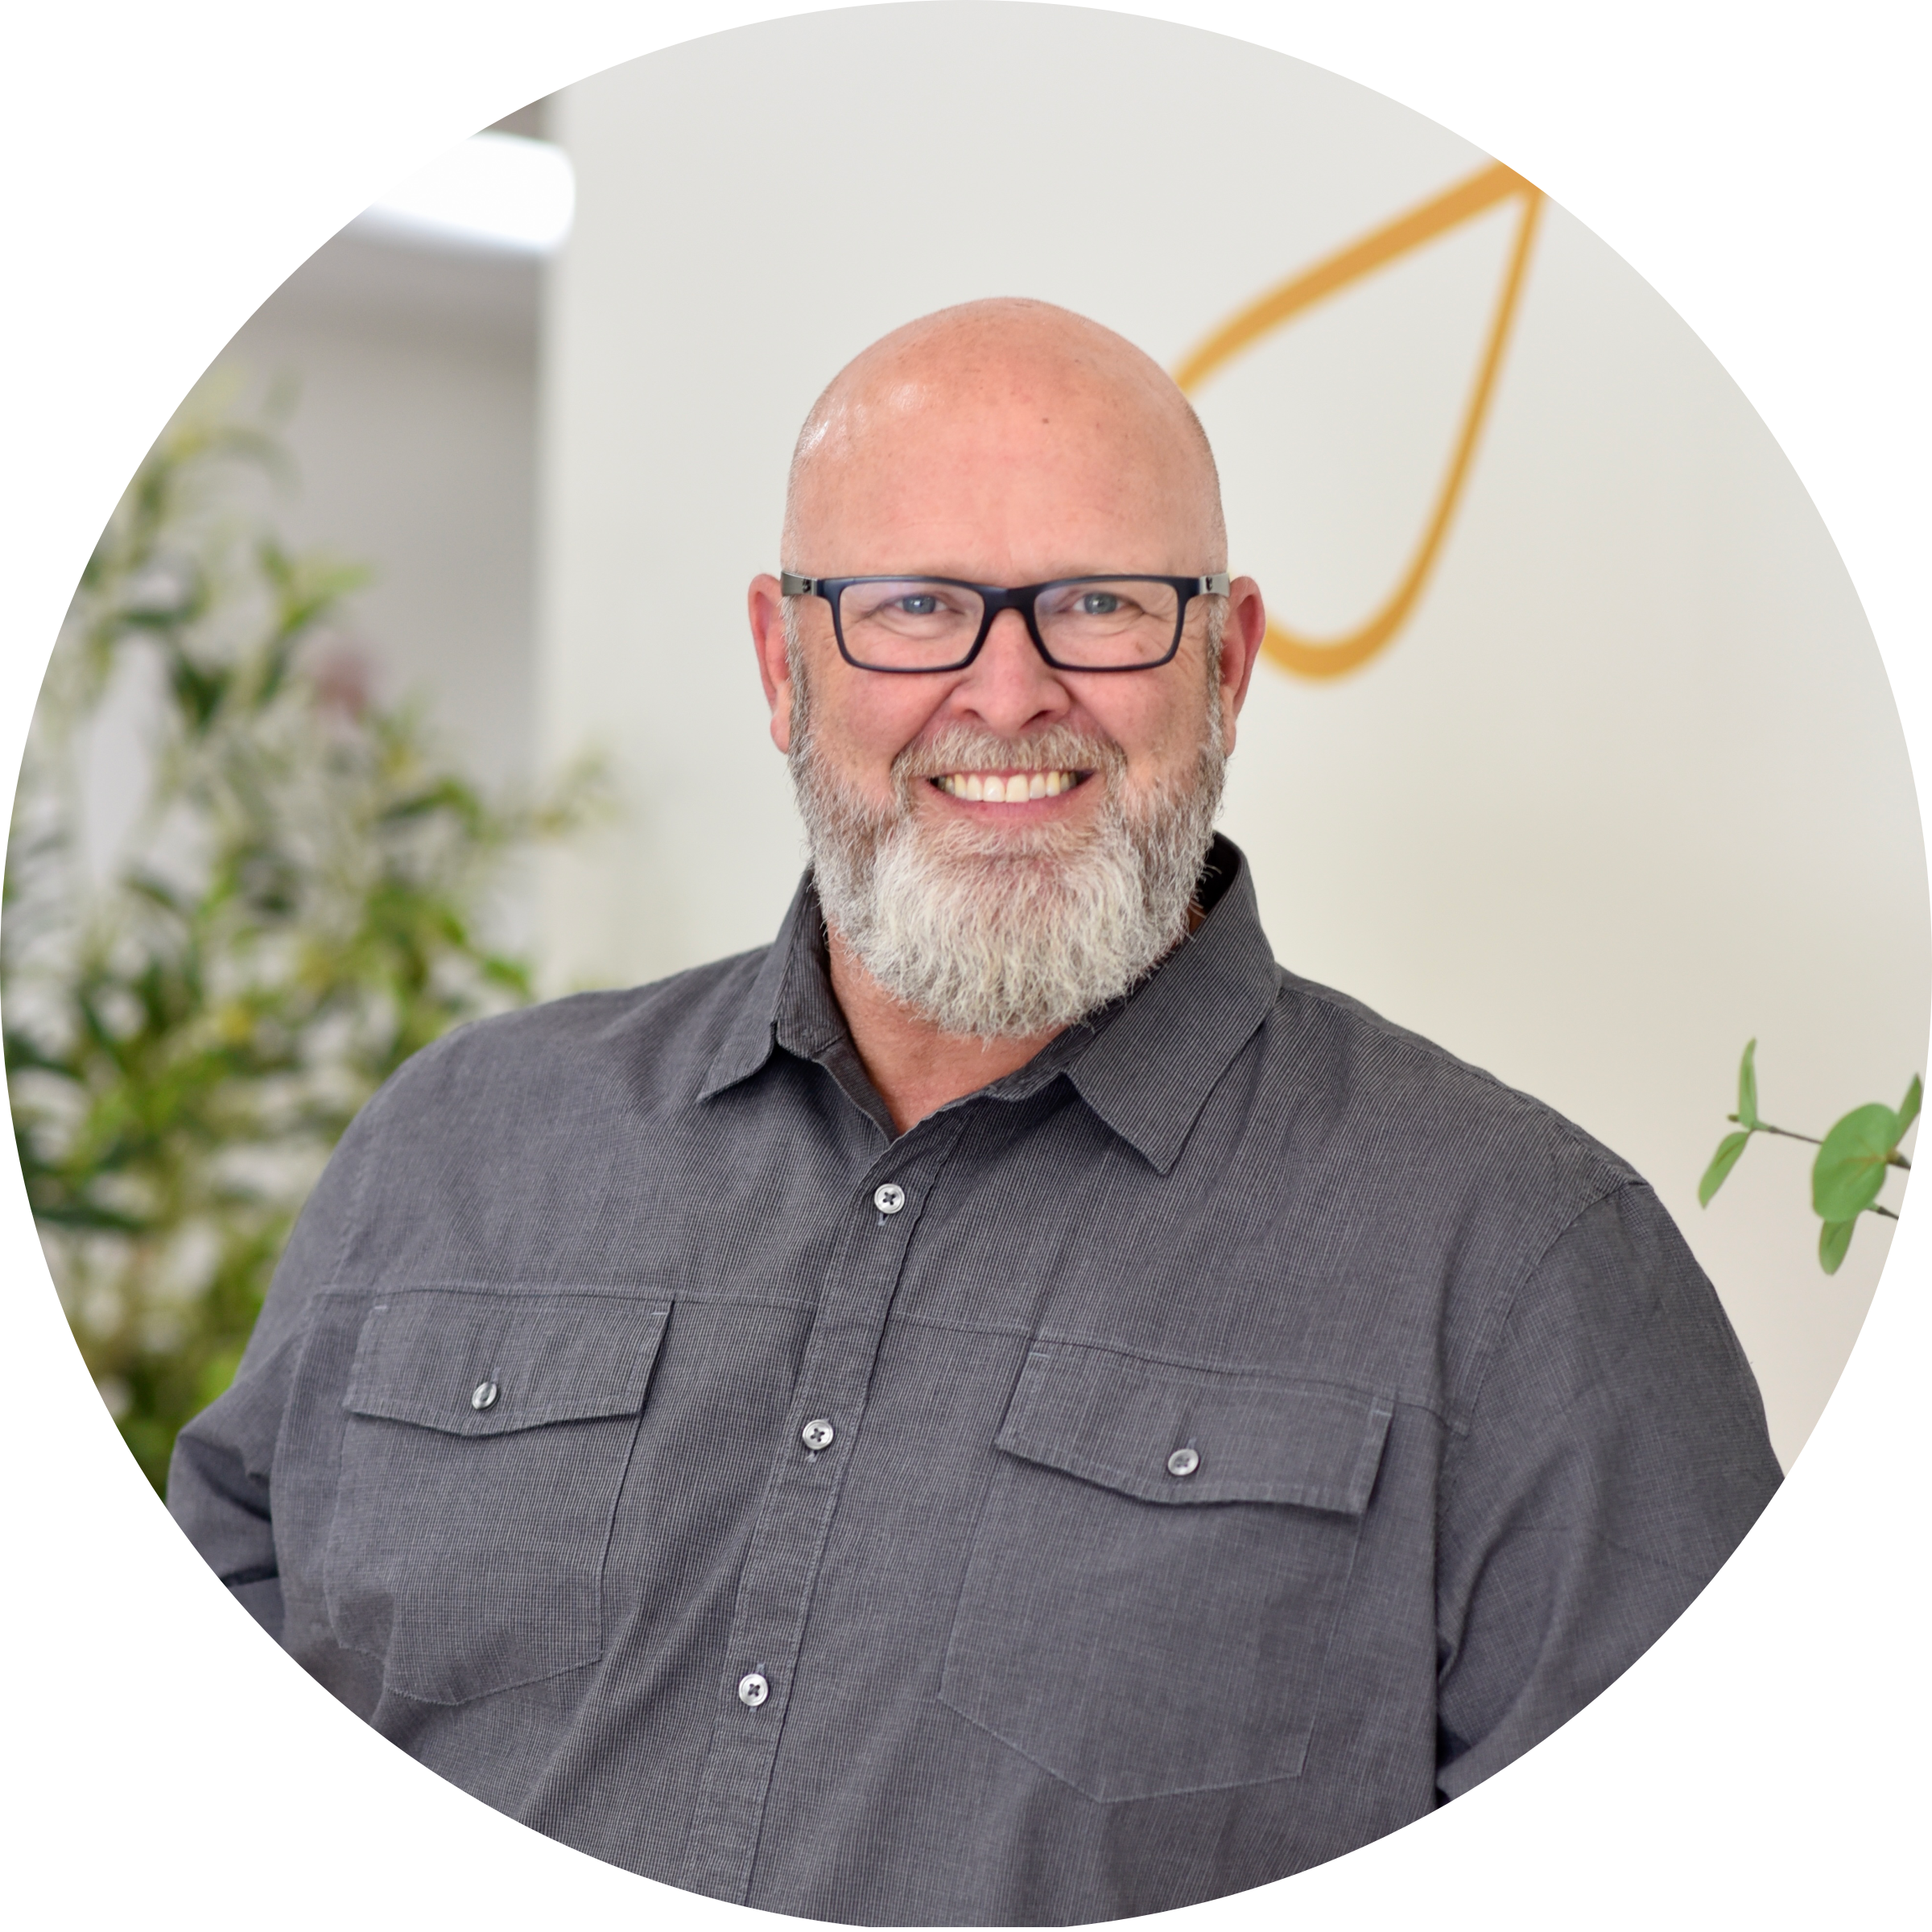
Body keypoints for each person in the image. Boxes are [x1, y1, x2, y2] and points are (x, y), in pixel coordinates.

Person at [169, 298, 1782, 1925]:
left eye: (1098, 603)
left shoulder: (1528, 1272)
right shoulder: (462, 1152)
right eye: (916, 605)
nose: (1006, 693)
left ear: (1223, 662)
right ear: (781, 662)